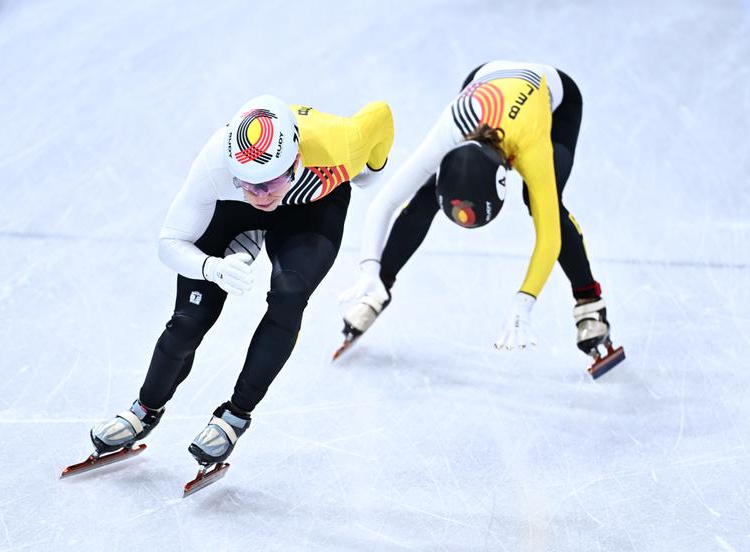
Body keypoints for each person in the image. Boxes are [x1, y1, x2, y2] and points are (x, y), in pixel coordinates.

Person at [89, 95, 394, 471]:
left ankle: (235, 416)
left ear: (295, 162)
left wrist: (371, 171)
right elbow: (169, 242)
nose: (259, 196)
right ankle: (144, 408)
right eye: (247, 184)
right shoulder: (216, 162)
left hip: (312, 207)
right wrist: (211, 268)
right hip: (232, 213)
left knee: (289, 296)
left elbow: (381, 116)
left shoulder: (341, 143)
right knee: (187, 322)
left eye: (268, 184)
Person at [339, 60, 621, 370]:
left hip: (556, 100)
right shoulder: (451, 129)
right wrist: (369, 269)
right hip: (485, 78)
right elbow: (385, 202)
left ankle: (589, 302)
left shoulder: (532, 149)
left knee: (542, 203)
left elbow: (549, 235)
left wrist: (524, 300)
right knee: (427, 194)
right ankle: (378, 288)